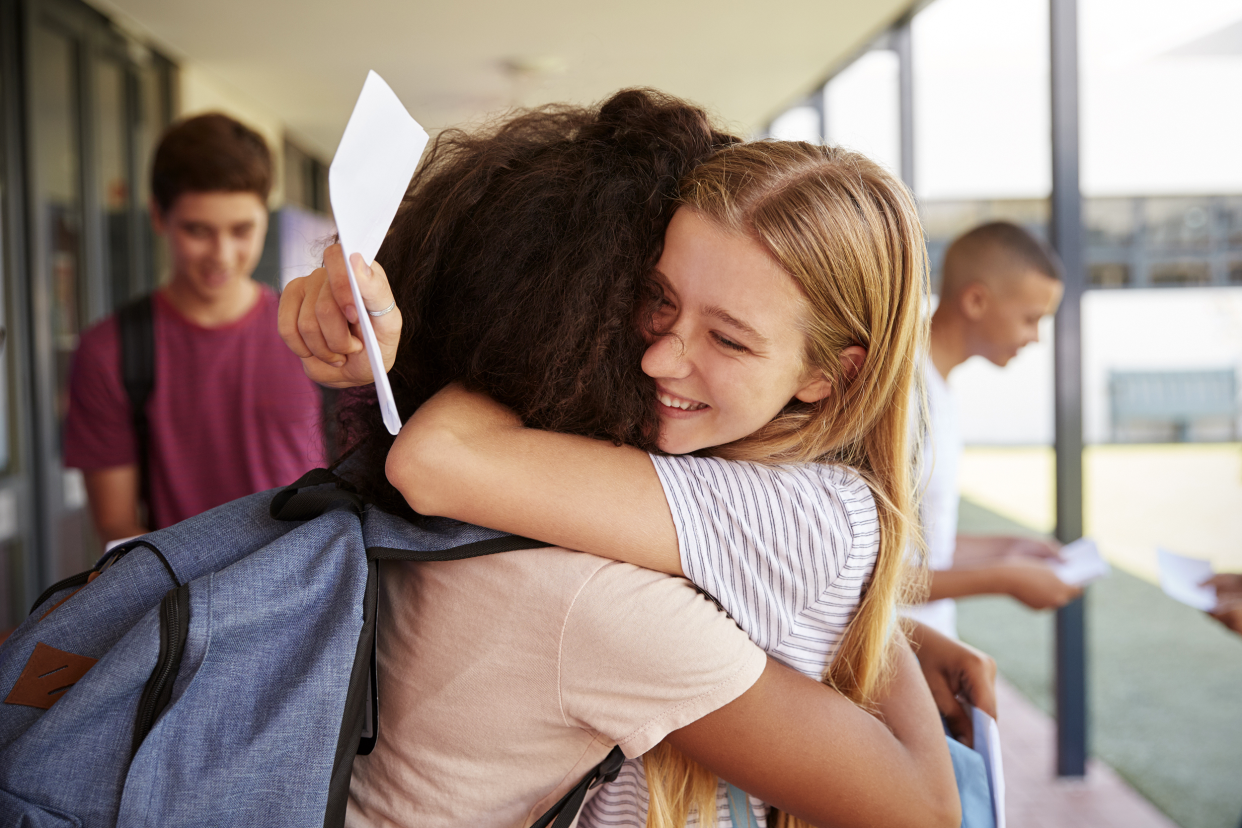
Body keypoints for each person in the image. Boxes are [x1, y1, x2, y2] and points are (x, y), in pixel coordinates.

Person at [283, 91, 987, 828]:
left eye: (730, 339)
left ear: (830, 376)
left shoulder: (803, 520)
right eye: (653, 298)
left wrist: (459, 324)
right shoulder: (695, 485)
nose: (658, 356)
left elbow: (440, 460)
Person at [64, 113, 324, 542]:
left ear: (264, 217)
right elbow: (116, 526)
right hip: (181, 599)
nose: (222, 254)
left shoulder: (309, 333)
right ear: (158, 217)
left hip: (310, 593)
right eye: (198, 230)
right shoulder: (110, 351)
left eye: (241, 230)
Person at [905, 221, 1081, 639]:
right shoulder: (905, 396)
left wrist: (1007, 549)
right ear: (977, 300)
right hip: (893, 666)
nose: (1035, 338)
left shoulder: (937, 385)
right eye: (1030, 319)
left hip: (924, 650)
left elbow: (918, 545)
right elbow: (864, 575)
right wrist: (1003, 578)